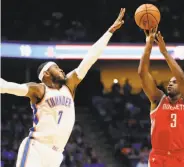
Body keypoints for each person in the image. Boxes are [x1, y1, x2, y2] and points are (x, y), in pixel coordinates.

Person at [0, 8, 125, 167]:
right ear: (46, 74)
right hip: (36, 148)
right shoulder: (38, 90)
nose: (61, 70)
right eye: (56, 68)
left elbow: (89, 58)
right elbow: (7, 86)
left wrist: (109, 32)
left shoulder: (69, 86)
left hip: (56, 154)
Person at [138, 28, 184, 167]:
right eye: (169, 82)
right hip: (158, 156)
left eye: (174, 82)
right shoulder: (158, 99)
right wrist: (149, 45)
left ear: (182, 88)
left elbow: (181, 77)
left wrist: (164, 52)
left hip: (179, 157)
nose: (170, 83)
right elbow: (142, 73)